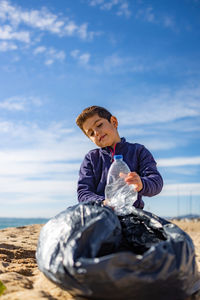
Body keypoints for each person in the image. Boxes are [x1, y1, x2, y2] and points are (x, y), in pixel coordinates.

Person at [76, 105, 163, 209]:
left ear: (114, 122)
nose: (97, 133)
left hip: (132, 213)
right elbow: (83, 192)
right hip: (101, 214)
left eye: (99, 125)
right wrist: (103, 203)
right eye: (91, 133)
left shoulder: (138, 151)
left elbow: (156, 181)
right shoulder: (91, 158)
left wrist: (141, 183)